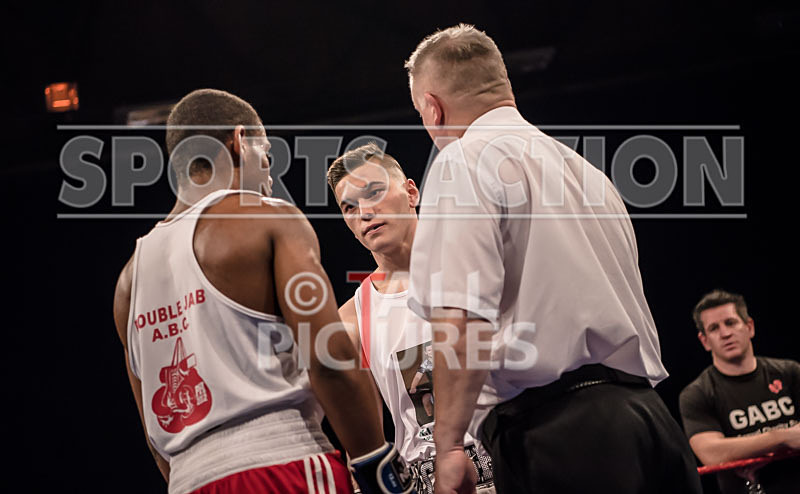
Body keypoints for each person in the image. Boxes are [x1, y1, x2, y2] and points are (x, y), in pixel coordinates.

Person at [402, 24, 703, 494]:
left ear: (432, 108)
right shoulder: (588, 173)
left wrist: (450, 448)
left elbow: (462, 318)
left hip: (563, 435)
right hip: (650, 421)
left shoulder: (463, 160)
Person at [112, 89, 411, 494]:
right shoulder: (266, 218)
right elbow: (330, 357)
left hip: (188, 480)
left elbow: (153, 427)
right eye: (267, 156)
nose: (270, 177)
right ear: (239, 142)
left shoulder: (128, 281)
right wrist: (377, 466)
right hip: (283, 462)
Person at [327, 144, 495, 493]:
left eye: (373, 193)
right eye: (349, 207)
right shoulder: (352, 318)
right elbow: (362, 444)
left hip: (503, 462)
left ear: (411, 192)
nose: (365, 212)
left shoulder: (478, 266)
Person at [679, 289, 800, 494]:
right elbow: (711, 453)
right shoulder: (696, 394)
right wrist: (783, 437)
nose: (725, 333)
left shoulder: (790, 372)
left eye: (731, 322)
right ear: (705, 341)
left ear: (749, 326)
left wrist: (741, 449)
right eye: (714, 328)